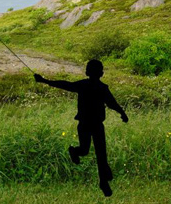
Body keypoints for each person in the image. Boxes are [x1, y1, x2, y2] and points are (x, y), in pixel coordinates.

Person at [34, 59, 128, 197]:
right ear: (101, 73)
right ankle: (100, 176)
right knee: (98, 153)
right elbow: (112, 104)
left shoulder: (84, 85)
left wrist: (45, 81)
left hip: (86, 124)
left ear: (87, 72)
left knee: (89, 151)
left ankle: (101, 179)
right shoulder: (102, 88)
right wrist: (123, 113)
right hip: (94, 125)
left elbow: (65, 85)